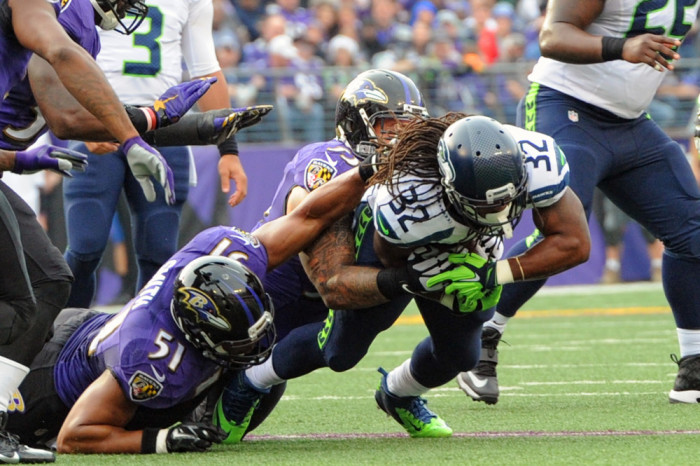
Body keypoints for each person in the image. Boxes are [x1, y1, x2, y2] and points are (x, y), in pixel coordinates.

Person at [216, 113, 590, 439]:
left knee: (460, 353)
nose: (500, 212)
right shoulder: (409, 201)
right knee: (340, 350)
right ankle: (252, 381)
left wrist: (493, 273)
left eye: (508, 200)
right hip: (407, 252)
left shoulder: (535, 159)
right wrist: (423, 278)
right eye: (484, 204)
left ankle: (398, 393)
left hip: (470, 247)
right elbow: (387, 258)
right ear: (448, 186)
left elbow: (575, 242)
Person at [6, 163, 394, 455]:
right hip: (52, 384)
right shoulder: (151, 359)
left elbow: (309, 214)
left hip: (93, 328)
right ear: (197, 334)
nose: (250, 343)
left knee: (261, 372)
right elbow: (76, 434)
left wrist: (366, 171)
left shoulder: (225, 251)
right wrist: (161, 440)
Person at [458, 0, 700, 406]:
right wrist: (621, 47)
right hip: (563, 106)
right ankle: (482, 331)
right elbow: (553, 35)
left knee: (692, 231)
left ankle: (694, 365)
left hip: (629, 123)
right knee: (565, 235)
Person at [204, 69, 430, 444]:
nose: (401, 137)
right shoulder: (327, 160)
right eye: (390, 125)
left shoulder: (410, 175)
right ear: (358, 125)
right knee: (185, 408)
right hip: (262, 299)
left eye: (409, 127)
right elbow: (323, 269)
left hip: (307, 316)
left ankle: (406, 389)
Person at [0, 0, 168, 462]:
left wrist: (18, 159)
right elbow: (61, 69)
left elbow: (68, 112)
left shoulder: (72, 26)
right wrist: (139, 130)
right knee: (40, 283)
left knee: (48, 280)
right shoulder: (53, 19)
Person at [62, 0, 264, 308]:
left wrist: (228, 149)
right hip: (97, 122)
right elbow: (57, 53)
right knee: (85, 247)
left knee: (159, 252)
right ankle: (61, 336)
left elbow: (205, 71)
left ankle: (142, 342)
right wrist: (79, 122)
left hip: (163, 129)